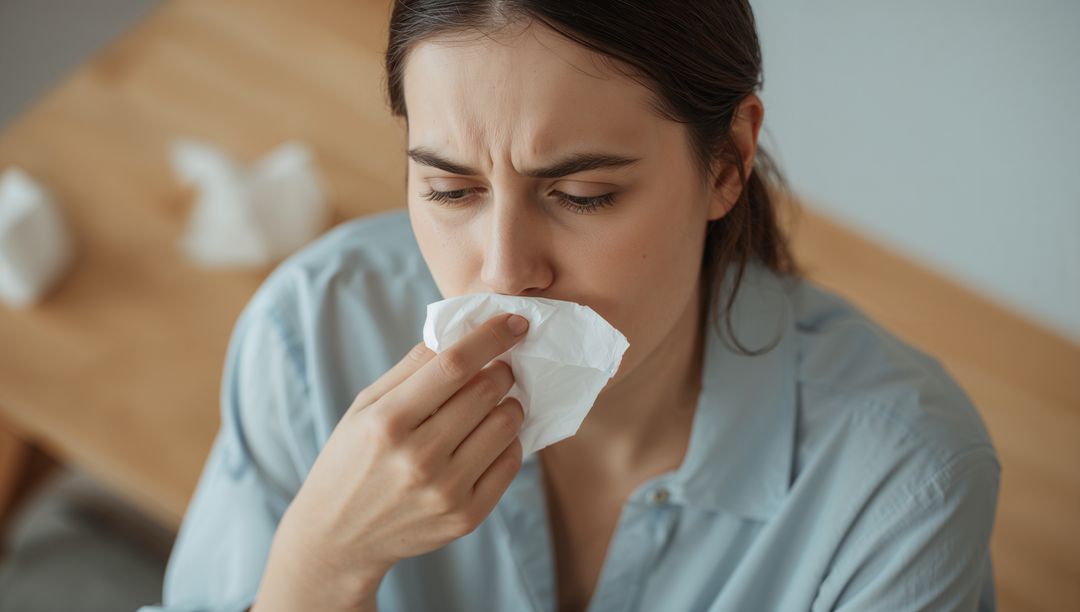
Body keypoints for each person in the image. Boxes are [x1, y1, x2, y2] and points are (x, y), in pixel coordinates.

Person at [140, 1, 1000, 611]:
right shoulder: (314, 332)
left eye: (583, 194)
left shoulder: (901, 487)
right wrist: (322, 567)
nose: (503, 271)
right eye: (449, 188)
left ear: (730, 162)